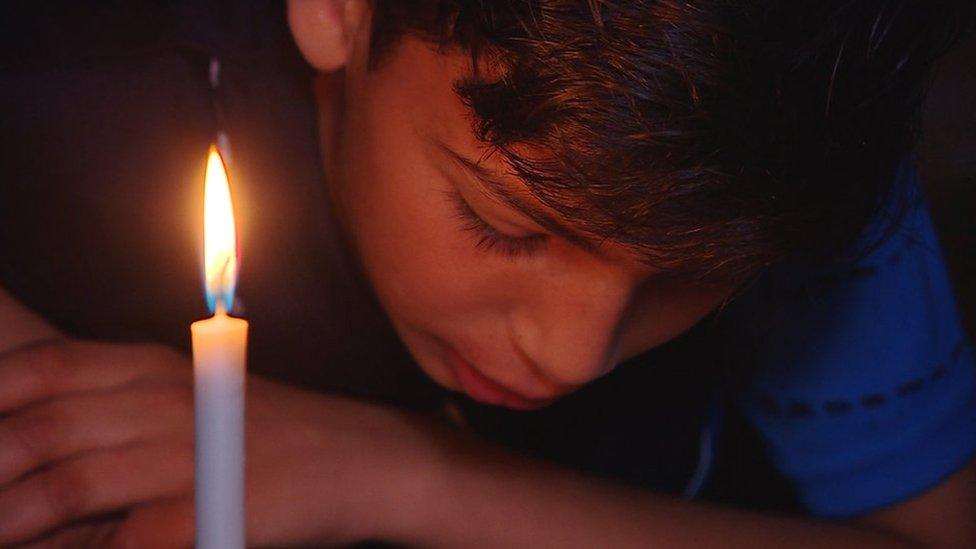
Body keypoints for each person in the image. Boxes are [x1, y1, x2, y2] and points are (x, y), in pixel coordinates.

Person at [0, 0, 973, 546]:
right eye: (504, 224)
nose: (574, 354)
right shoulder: (71, 74)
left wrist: (410, 476)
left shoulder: (806, 134)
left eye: (693, 276)